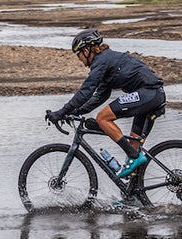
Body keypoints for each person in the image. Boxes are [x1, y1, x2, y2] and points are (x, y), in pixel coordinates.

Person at [46, 29, 165, 178]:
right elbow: (100, 96)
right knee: (133, 150)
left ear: (87, 50)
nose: (79, 59)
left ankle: (133, 156)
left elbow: (86, 90)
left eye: (78, 54)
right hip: (151, 95)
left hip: (149, 93)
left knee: (102, 118)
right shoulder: (107, 61)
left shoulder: (101, 60)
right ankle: (131, 197)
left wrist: (62, 111)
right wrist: (76, 112)